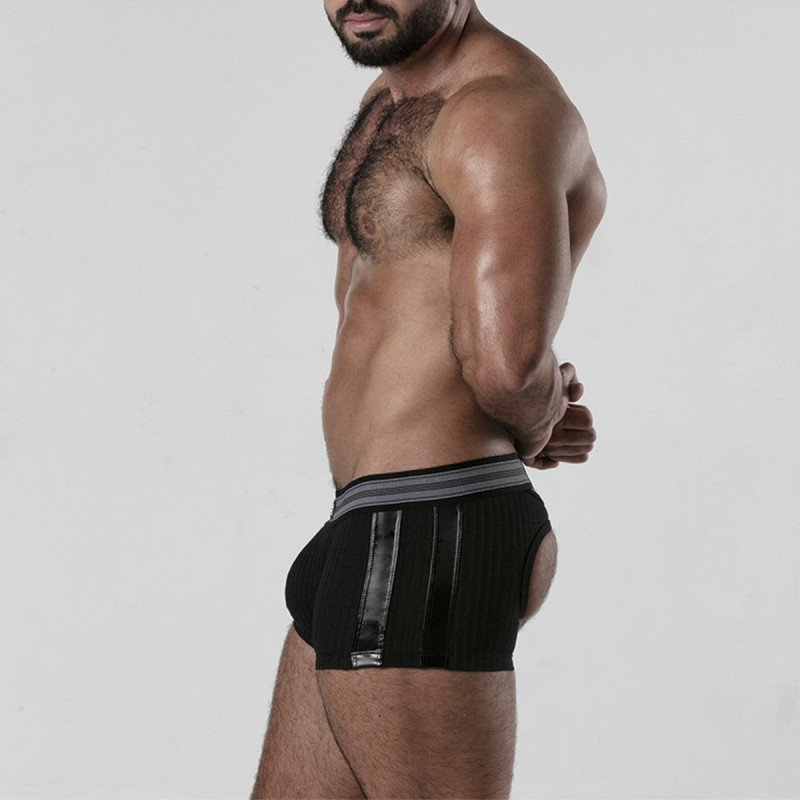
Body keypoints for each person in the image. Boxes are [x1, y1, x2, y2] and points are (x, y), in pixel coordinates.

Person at [250, 1, 605, 797]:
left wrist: (537, 410)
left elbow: (505, 367)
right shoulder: (391, 99)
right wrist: (539, 405)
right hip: (361, 526)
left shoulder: (501, 112)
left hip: (432, 531)